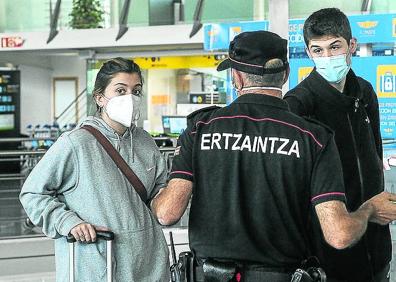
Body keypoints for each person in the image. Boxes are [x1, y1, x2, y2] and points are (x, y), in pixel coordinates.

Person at [151, 31, 396, 282]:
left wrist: (153, 197)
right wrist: (368, 210)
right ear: (286, 75)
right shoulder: (313, 137)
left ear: (236, 77)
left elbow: (167, 213)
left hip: (210, 275)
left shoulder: (200, 128)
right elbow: (339, 234)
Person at [19, 58, 170, 282]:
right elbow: (32, 193)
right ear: (100, 98)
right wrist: (67, 221)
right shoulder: (75, 143)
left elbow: (159, 189)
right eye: (120, 90)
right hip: (97, 266)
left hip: (149, 265)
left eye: (136, 91)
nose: (130, 98)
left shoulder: (146, 142)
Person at [283, 8, 392, 282]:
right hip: (326, 257)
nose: (327, 57)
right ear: (308, 54)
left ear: (351, 46)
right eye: (317, 50)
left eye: (334, 47)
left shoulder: (365, 93)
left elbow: (374, 156)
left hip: (376, 249)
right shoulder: (298, 104)